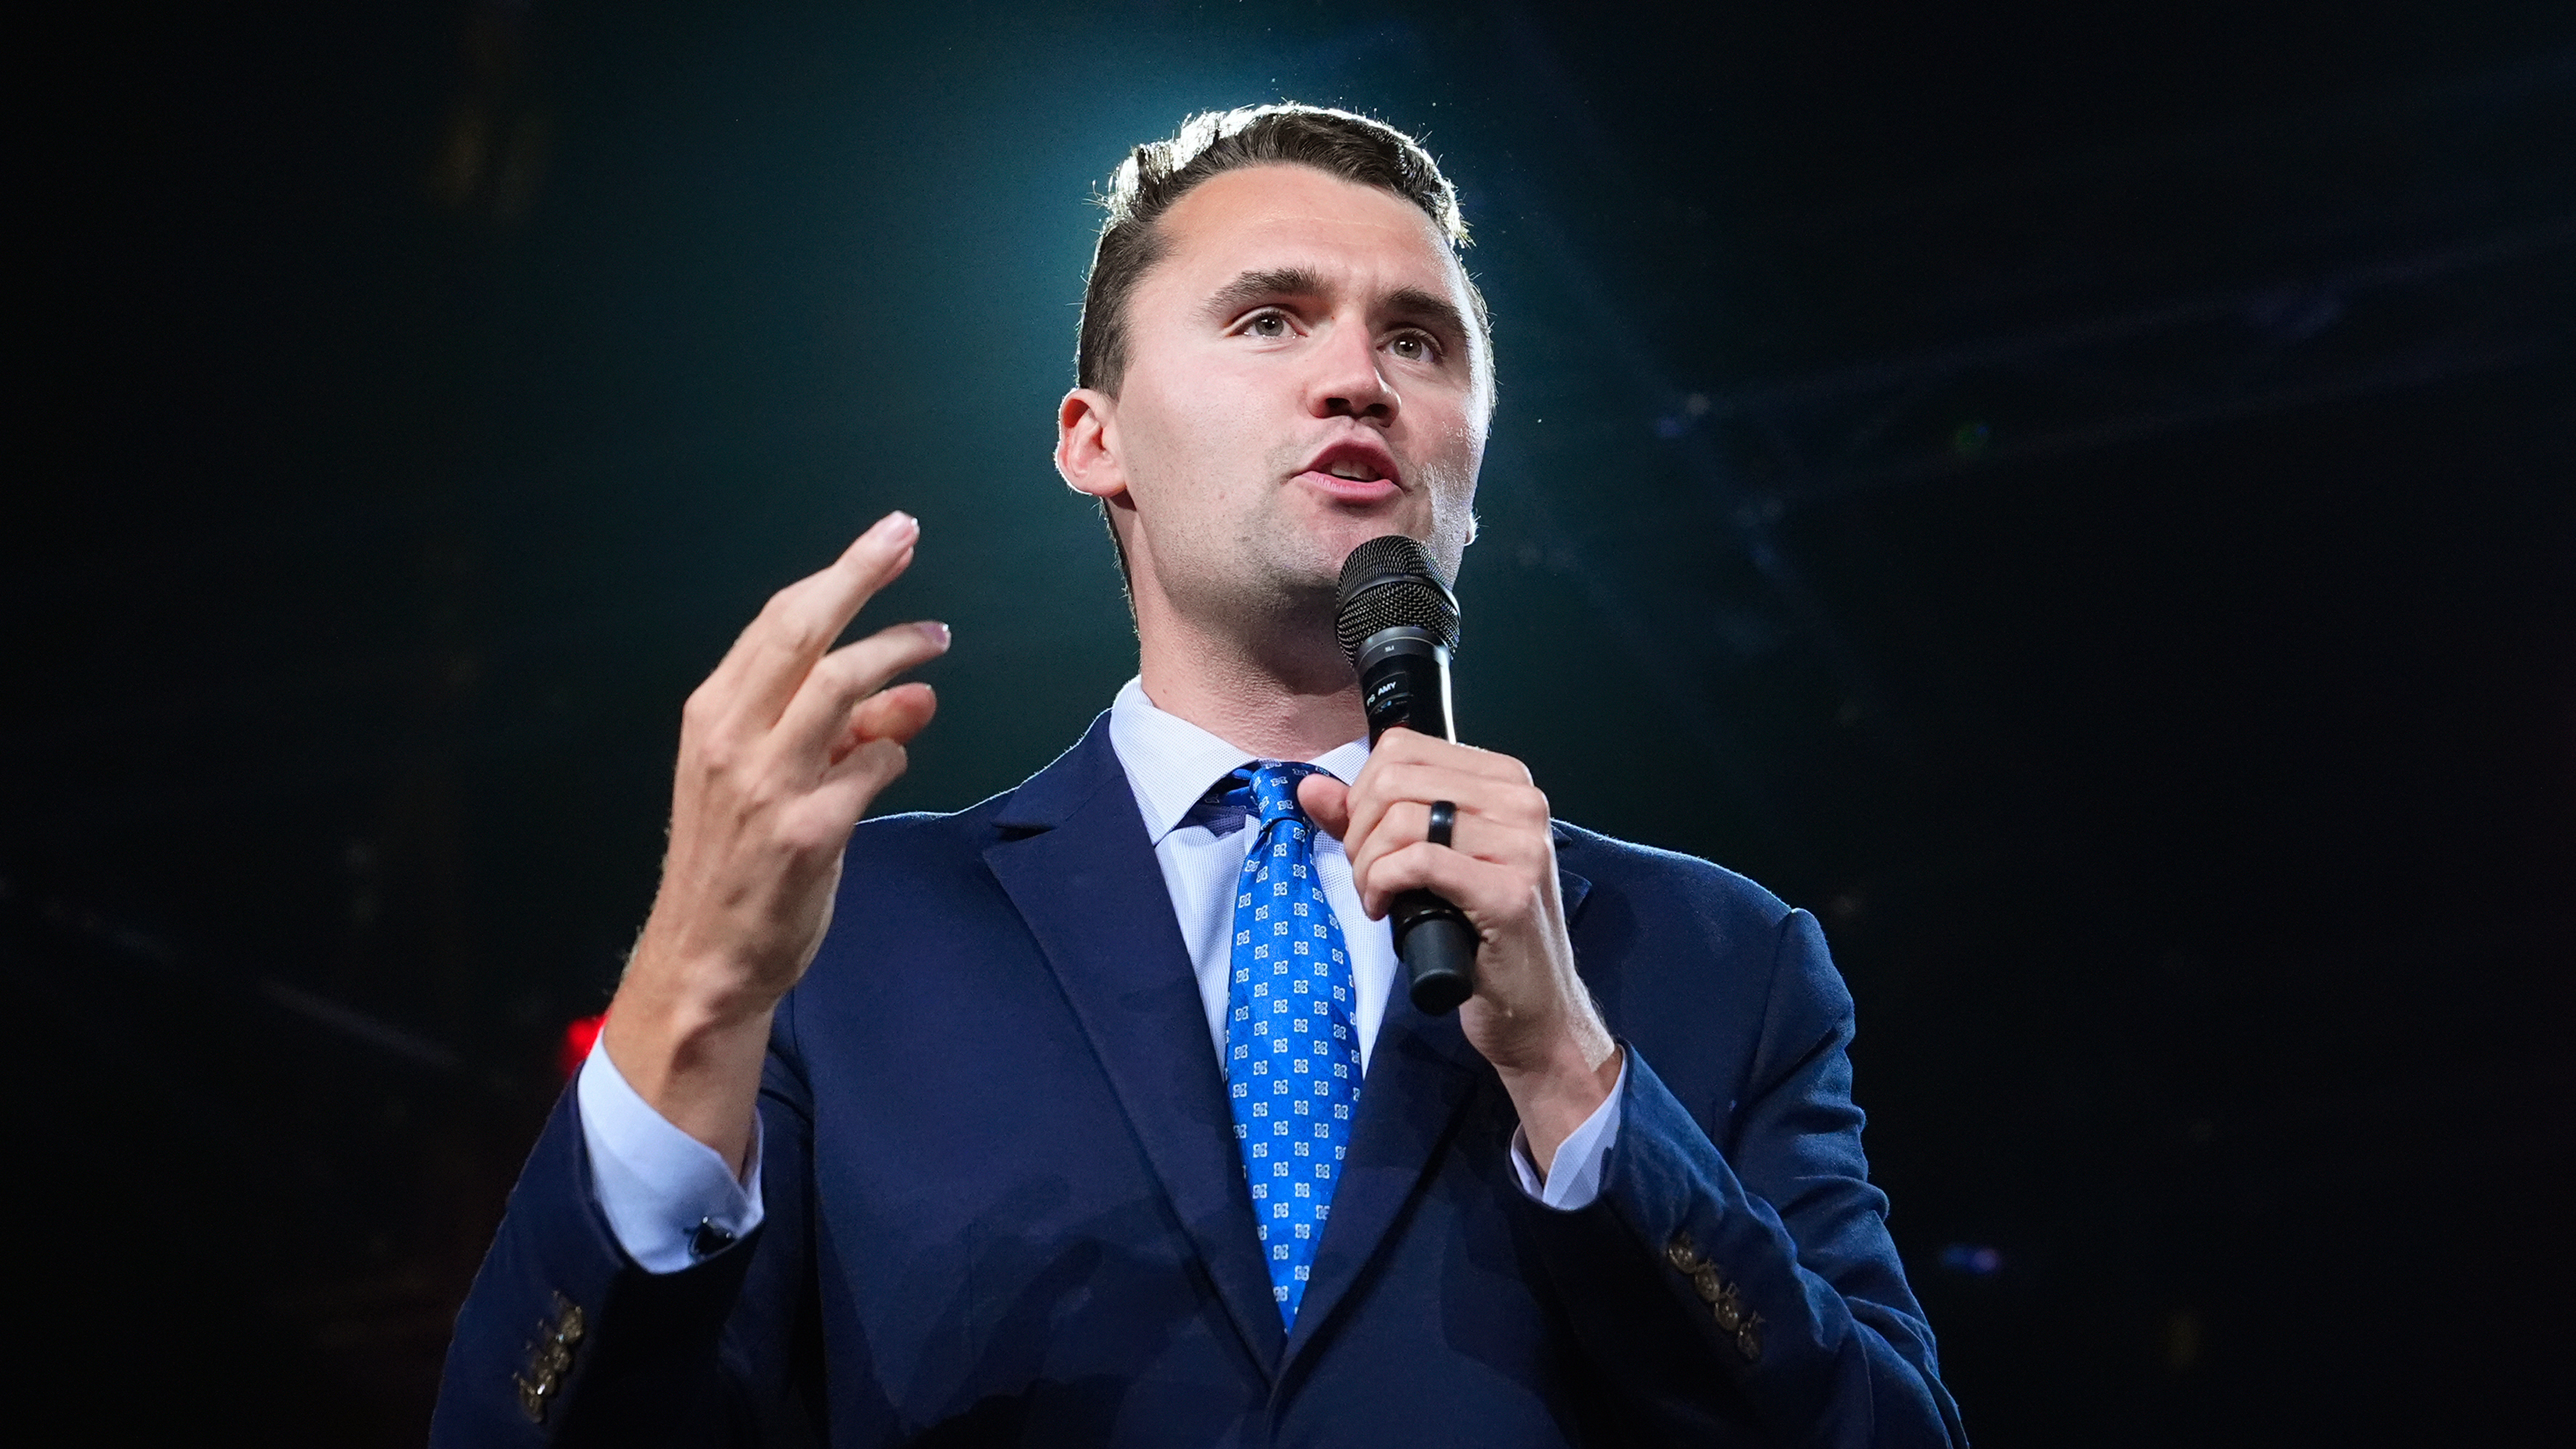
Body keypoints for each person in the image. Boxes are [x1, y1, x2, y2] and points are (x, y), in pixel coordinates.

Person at [433, 103, 1965, 1447]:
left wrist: (1575, 1074)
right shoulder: (849, 941)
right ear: (1095, 441)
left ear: (1474, 467)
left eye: (1418, 339)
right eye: (1269, 319)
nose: (1359, 378)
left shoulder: (1718, 962)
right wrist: (690, 994)